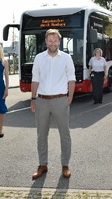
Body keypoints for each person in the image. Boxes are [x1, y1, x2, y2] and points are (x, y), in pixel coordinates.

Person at [30, 29, 76, 180]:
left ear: (59, 41)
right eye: (50, 40)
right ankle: (42, 165)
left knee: (65, 134)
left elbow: (71, 79)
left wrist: (69, 98)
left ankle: (65, 165)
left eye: (55, 40)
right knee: (41, 135)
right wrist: (33, 98)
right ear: (46, 41)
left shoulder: (66, 58)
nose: (52, 43)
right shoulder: (38, 58)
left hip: (60, 100)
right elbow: (35, 79)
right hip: (42, 100)